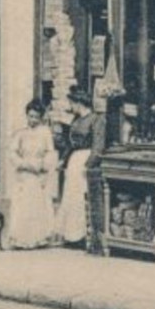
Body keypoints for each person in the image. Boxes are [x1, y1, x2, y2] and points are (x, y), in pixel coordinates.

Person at [7, 99, 60, 249]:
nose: (32, 120)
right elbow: (12, 152)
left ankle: (38, 238)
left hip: (38, 172)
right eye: (30, 116)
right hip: (24, 172)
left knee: (37, 204)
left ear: (41, 117)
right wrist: (22, 163)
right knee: (22, 204)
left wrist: (42, 166)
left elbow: (50, 153)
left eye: (36, 117)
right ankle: (21, 238)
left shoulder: (45, 133)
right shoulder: (21, 133)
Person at [56, 86, 96, 248]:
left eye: (72, 103)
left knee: (81, 197)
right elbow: (70, 144)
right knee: (70, 197)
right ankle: (71, 235)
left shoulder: (95, 119)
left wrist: (89, 165)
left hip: (85, 159)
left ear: (79, 103)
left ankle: (82, 235)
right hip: (74, 160)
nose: (70, 107)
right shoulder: (76, 120)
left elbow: (98, 146)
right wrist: (63, 160)